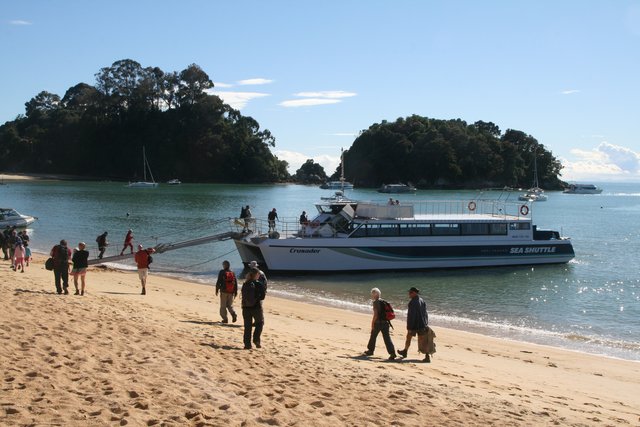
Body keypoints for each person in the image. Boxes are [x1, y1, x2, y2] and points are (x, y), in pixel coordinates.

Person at [397, 287, 430, 362]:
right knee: (423, 340)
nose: (409, 294)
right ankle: (427, 356)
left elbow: (411, 315)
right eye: (409, 292)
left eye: (410, 292)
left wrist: (409, 326)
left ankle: (405, 352)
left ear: (414, 293)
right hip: (422, 324)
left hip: (414, 324)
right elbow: (425, 313)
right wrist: (425, 323)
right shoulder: (422, 300)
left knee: (409, 338)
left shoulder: (412, 302)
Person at [364, 288, 397, 360]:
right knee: (387, 338)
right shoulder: (384, 301)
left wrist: (372, 323)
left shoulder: (375, 302)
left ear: (373, 294)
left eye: (372, 294)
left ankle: (370, 350)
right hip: (386, 323)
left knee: (373, 336)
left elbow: (375, 314)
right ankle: (392, 353)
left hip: (378, 323)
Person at [241, 267, 266, 349]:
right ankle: (256, 340)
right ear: (256, 274)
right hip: (256, 307)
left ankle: (247, 344)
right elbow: (262, 297)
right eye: (258, 274)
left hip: (245, 307)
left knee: (247, 326)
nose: (259, 275)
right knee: (260, 323)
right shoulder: (258, 284)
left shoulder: (245, 283)